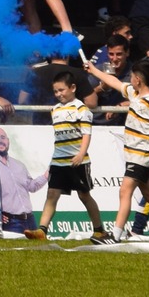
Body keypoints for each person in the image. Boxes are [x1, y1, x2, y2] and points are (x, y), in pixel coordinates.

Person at [83, 55, 149, 241]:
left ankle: (115, 235)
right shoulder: (135, 94)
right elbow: (114, 81)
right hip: (136, 156)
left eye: (132, 76)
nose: (129, 80)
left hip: (141, 156)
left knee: (124, 191)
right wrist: (93, 70)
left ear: (138, 79)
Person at [37, 70, 109, 243]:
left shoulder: (81, 109)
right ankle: (42, 230)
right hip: (58, 160)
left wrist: (81, 154)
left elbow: (86, 134)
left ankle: (99, 230)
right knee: (52, 194)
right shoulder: (55, 110)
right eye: (55, 91)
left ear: (73, 88)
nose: (58, 94)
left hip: (78, 161)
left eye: (61, 90)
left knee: (84, 195)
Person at [0, 126, 46, 234]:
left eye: (3, 137)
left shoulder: (19, 165)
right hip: (10, 222)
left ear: (8, 141)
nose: (0, 140)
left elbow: (32, 187)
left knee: (39, 250)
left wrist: (47, 174)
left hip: (30, 220)